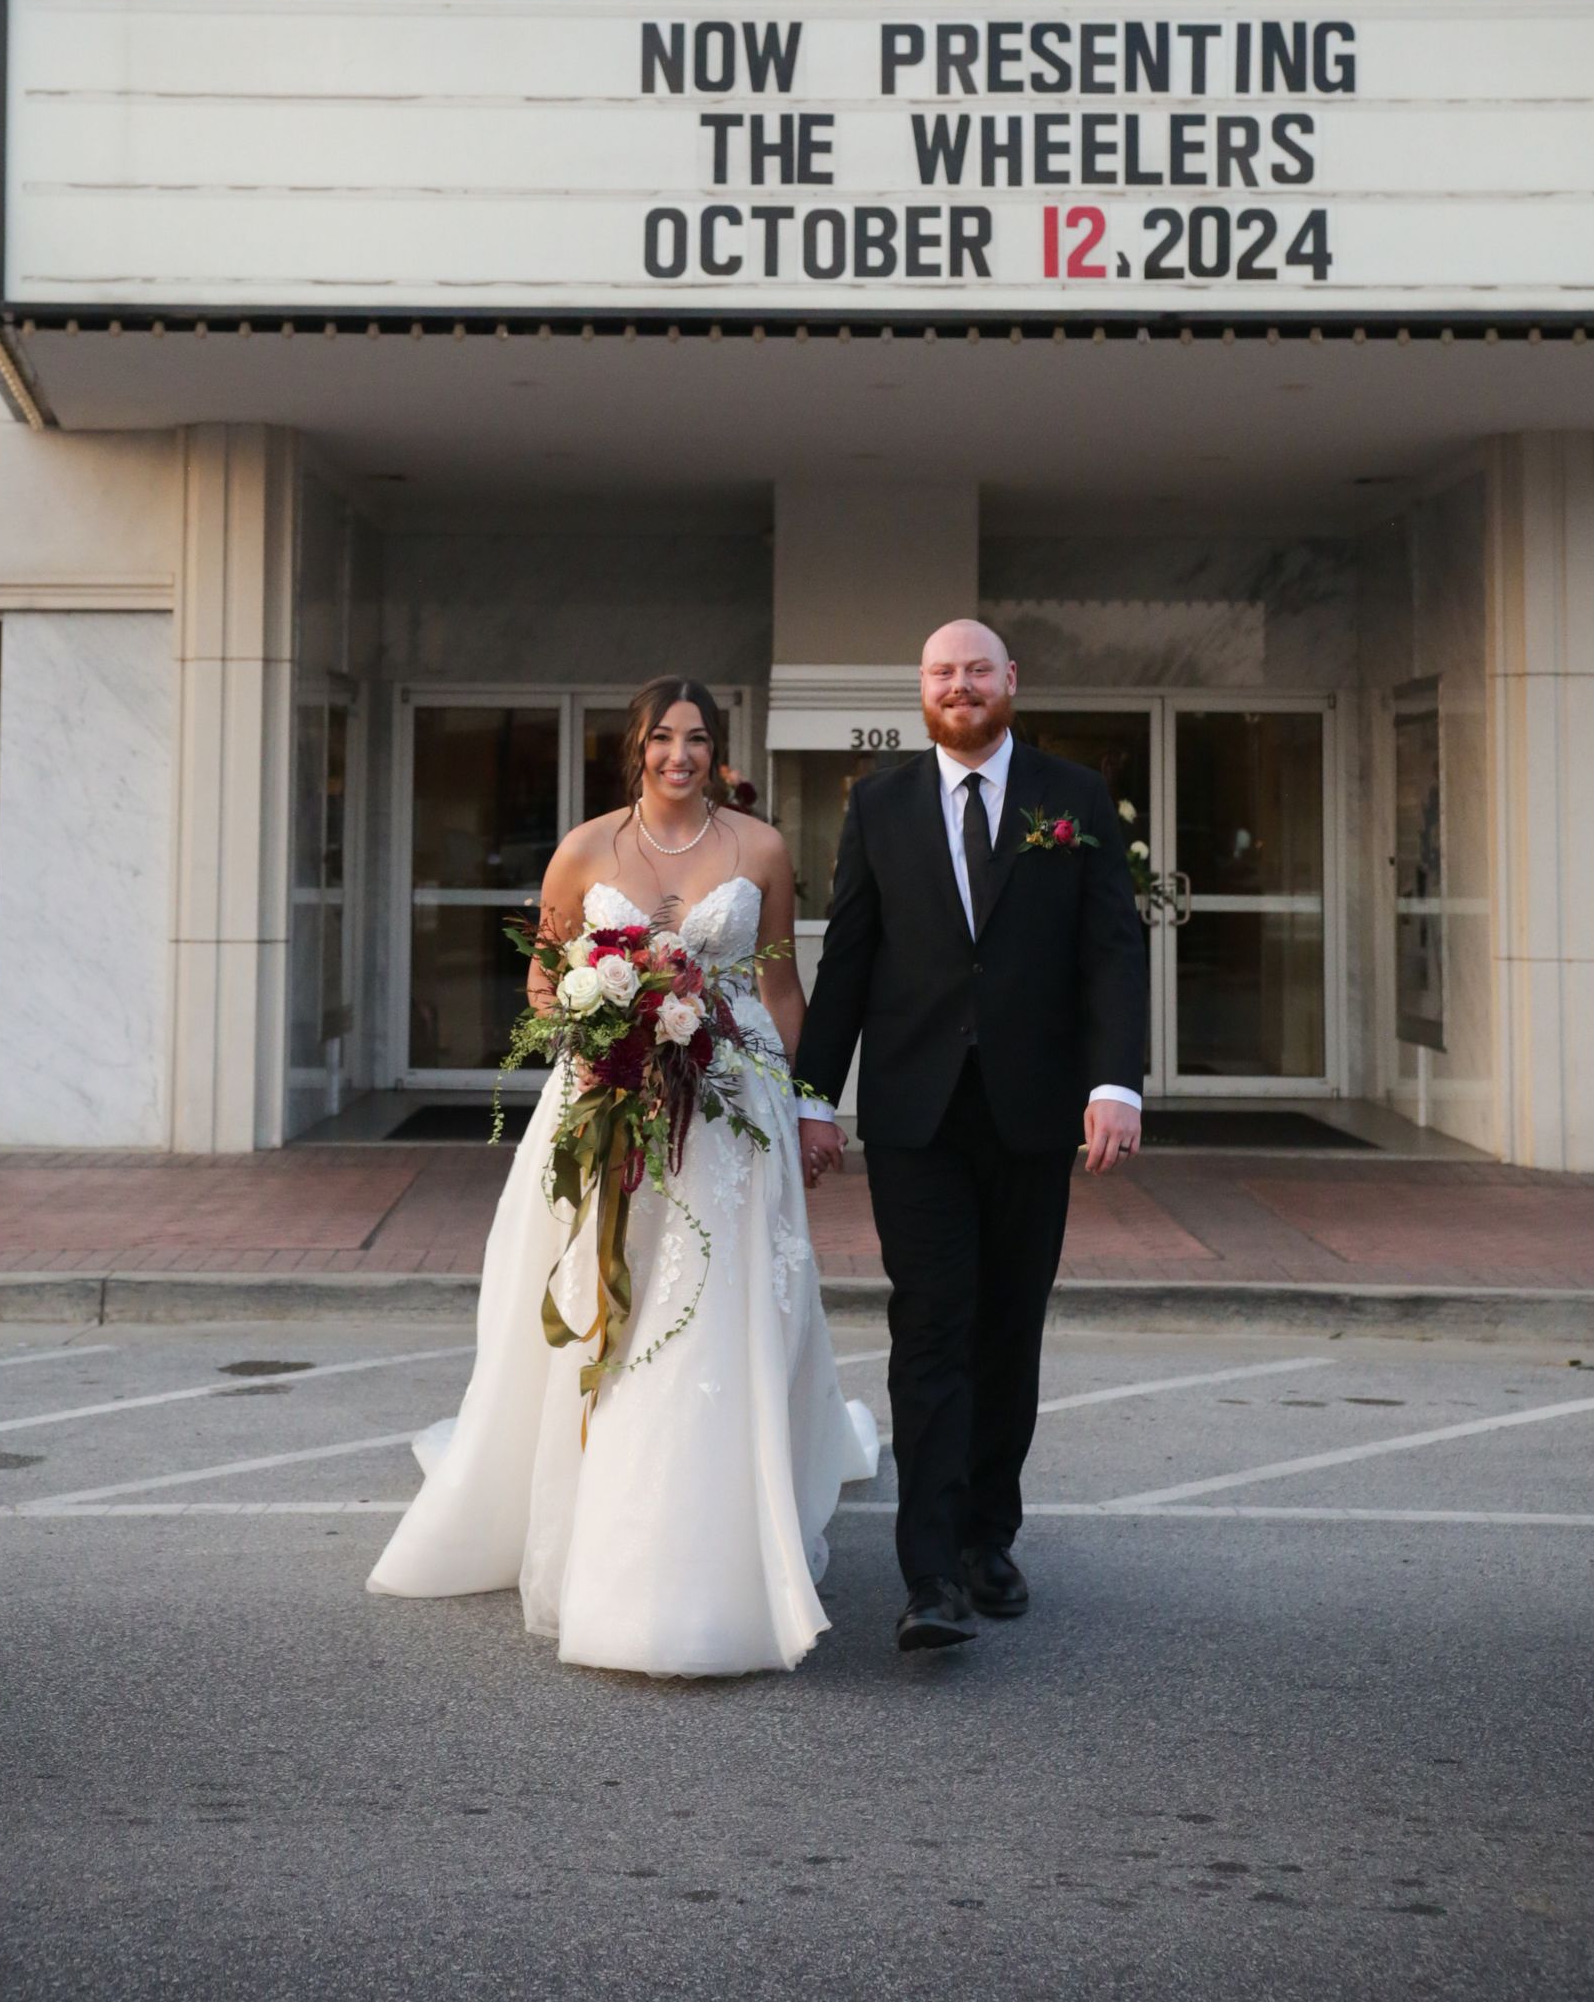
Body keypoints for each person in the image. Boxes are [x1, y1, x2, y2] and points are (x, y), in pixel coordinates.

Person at [367, 677, 877, 1677]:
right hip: (607, 1105)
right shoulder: (586, 847)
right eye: (661, 739)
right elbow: (542, 976)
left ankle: (713, 1535)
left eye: (696, 740)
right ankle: (606, 1517)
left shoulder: (760, 850)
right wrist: (607, 1016)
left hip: (732, 1112)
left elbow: (779, 987)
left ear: (719, 752)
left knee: (717, 1312)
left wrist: (815, 1107)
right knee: (614, 1306)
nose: (679, 756)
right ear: (635, 749)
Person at [797, 620, 1148, 1653]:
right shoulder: (880, 804)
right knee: (934, 1328)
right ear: (922, 690)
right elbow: (850, 957)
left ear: (1010, 683)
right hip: (917, 1117)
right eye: (942, 673)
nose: (960, 686)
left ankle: (994, 1535)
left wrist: (1114, 1081)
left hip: (1037, 1114)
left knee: (1008, 1329)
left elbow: (1112, 951)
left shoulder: (1074, 797)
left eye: (977, 671)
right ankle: (933, 1572)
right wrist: (816, 1096)